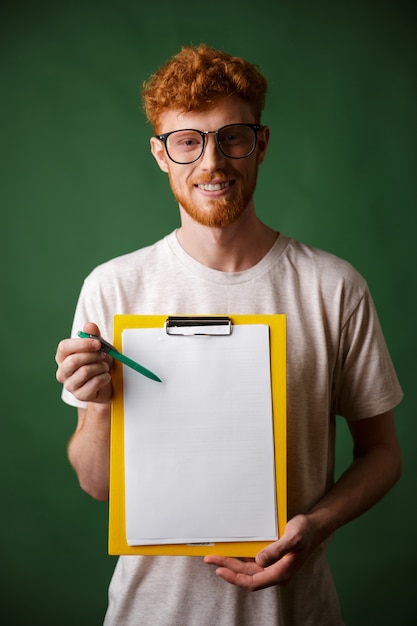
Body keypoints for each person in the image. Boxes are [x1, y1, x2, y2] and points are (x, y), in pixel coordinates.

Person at [55, 43, 403, 625]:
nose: (211, 162)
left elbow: (382, 452)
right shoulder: (114, 287)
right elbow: (98, 485)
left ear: (260, 145)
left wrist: (318, 526)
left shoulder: (333, 286)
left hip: (296, 613)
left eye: (231, 137)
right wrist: (95, 407)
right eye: (188, 141)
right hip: (150, 613)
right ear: (161, 155)